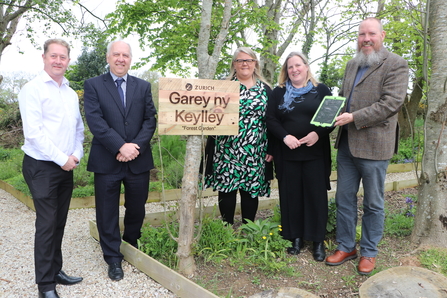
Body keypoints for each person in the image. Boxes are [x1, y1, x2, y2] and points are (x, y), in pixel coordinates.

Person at [325, 17, 409, 275]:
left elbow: (391, 103)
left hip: (375, 146)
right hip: (347, 144)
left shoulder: (396, 64)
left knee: (373, 203)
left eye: (371, 33)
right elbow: (344, 99)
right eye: (362, 34)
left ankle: (369, 252)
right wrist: (327, 115)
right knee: (344, 199)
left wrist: (354, 117)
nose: (366, 39)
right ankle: (346, 246)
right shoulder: (352, 64)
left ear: (382, 35)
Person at [84, 40, 157, 281]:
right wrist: (120, 146)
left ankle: (131, 242)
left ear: (130, 59)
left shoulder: (143, 86)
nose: (121, 59)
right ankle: (113, 258)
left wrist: (134, 147)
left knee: (137, 206)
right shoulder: (93, 85)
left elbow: (150, 120)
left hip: (138, 158)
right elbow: (95, 121)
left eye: (125, 55)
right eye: (116, 54)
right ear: (108, 58)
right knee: (106, 211)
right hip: (107, 160)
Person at [18, 38, 84, 298]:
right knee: (47, 224)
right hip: (41, 166)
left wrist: (75, 155)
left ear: (68, 60)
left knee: (59, 222)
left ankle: (56, 271)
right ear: (44, 58)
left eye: (63, 57)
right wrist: (62, 158)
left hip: (66, 165)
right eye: (53, 56)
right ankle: (45, 286)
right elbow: (34, 134)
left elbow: (78, 130)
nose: (58, 60)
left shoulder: (69, 93)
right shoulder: (32, 89)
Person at [266, 52, 333, 262]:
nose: (294, 70)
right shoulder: (278, 92)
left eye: (298, 65)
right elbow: (270, 119)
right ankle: (294, 238)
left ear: (306, 66)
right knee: (291, 196)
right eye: (290, 67)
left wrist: (317, 133)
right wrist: (284, 137)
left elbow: (331, 117)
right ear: (286, 71)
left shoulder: (320, 90)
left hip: (315, 153)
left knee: (316, 197)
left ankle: (317, 241)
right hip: (287, 154)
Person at [204, 47, 273, 225]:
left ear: (255, 64)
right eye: (240, 60)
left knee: (250, 191)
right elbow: (209, 113)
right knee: (227, 190)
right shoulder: (223, 87)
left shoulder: (266, 89)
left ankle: (248, 230)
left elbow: (273, 120)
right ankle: (226, 229)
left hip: (256, 150)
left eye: (248, 60)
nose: (244, 64)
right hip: (226, 148)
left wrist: (272, 148)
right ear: (234, 64)